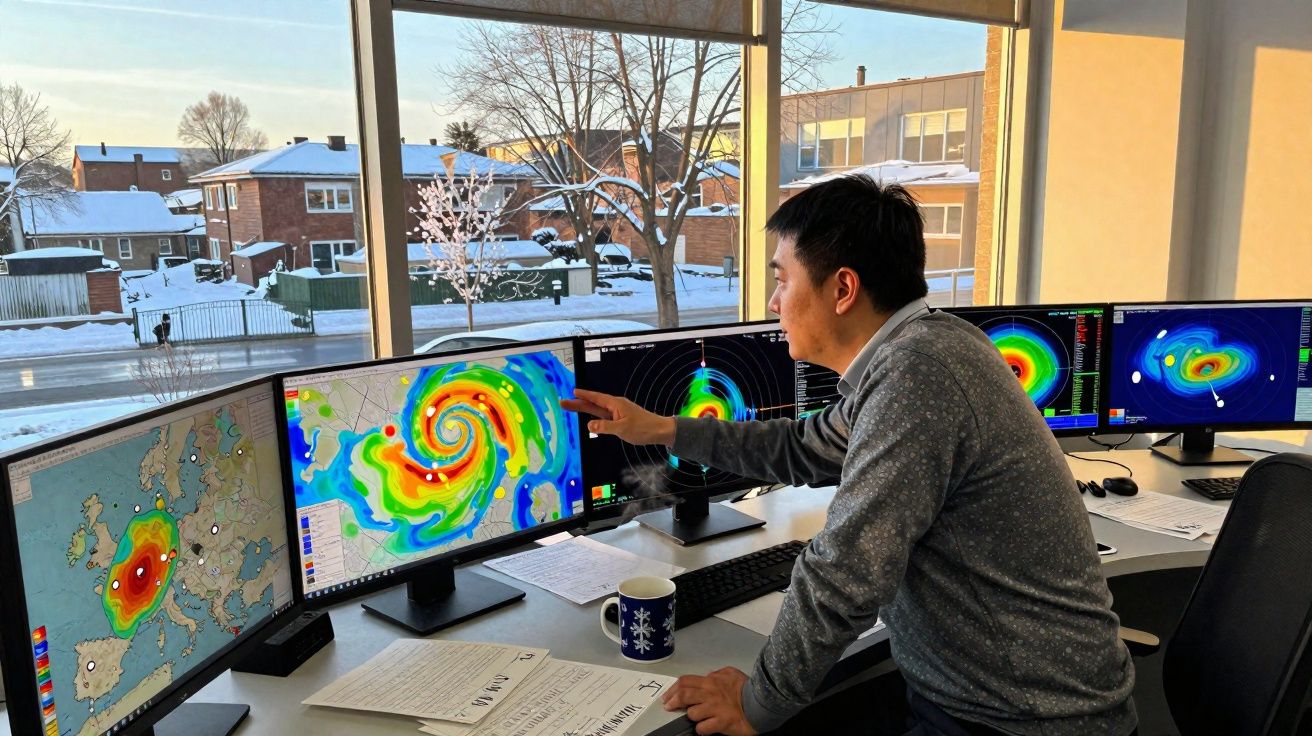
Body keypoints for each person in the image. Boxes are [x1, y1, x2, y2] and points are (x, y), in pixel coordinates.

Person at [562, 176, 1136, 736]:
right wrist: (662, 429)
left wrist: (758, 702)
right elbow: (801, 448)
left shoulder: (918, 378)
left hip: (1019, 716)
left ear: (842, 290)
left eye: (782, 279)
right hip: (987, 693)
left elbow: (845, 572)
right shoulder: (931, 347)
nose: (773, 300)